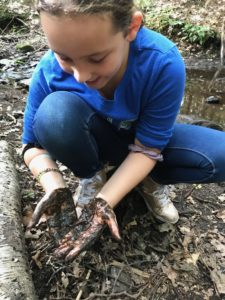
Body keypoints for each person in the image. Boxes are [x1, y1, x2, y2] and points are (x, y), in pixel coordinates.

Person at [22, 0, 225, 261]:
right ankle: (93, 176)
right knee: (54, 113)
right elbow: (31, 146)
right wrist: (54, 185)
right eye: (64, 57)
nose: (81, 76)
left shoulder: (162, 61)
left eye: (97, 58)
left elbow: (149, 146)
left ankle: (150, 181)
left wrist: (105, 200)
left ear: (132, 27)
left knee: (220, 155)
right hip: (96, 138)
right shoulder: (48, 71)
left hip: (145, 145)